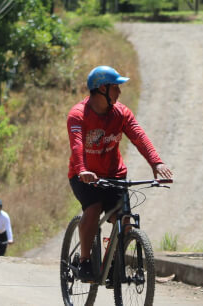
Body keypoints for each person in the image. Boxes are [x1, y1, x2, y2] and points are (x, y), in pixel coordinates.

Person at [67, 65, 173, 283]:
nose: (120, 92)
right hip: (84, 175)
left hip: (114, 175)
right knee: (94, 208)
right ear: (102, 89)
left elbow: (139, 137)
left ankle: (114, 263)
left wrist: (156, 162)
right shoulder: (78, 115)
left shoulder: (121, 113)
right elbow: (77, 147)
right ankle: (85, 260)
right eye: (116, 87)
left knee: (125, 221)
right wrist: (83, 170)